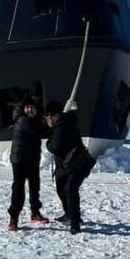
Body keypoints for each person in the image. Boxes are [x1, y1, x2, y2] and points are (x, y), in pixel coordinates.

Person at [44, 99, 94, 235]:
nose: (49, 118)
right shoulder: (62, 125)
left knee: (69, 190)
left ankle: (75, 222)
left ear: (59, 115)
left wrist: (48, 142)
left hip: (76, 165)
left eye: (52, 115)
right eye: (47, 115)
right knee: (61, 188)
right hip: (66, 165)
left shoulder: (61, 128)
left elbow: (55, 147)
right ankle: (68, 214)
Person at [7, 96, 49, 231]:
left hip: (32, 159)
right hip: (20, 160)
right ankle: (13, 219)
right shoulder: (23, 120)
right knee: (19, 189)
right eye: (27, 107)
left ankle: (35, 213)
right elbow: (40, 132)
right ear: (23, 109)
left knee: (34, 186)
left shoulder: (33, 121)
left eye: (32, 107)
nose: (30, 110)